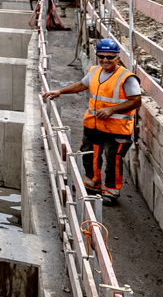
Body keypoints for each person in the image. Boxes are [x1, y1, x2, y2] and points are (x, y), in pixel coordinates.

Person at [43, 37, 141, 202]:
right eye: (101, 56)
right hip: (93, 125)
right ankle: (91, 185)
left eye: (109, 57)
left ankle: (110, 192)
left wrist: (112, 109)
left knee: (113, 161)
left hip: (116, 129)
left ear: (117, 58)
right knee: (89, 156)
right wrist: (60, 91)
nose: (105, 60)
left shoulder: (127, 78)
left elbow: (136, 101)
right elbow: (82, 85)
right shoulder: (95, 71)